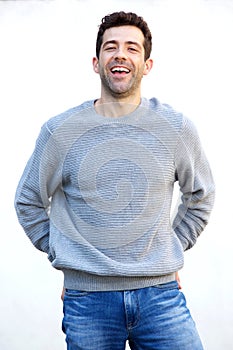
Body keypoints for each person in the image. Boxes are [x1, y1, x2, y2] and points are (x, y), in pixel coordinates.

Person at [15, 11, 215, 350]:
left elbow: (200, 197)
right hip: (88, 303)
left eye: (132, 48)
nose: (120, 54)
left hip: (161, 297)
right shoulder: (60, 131)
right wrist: (66, 254)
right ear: (97, 62)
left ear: (147, 64)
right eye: (111, 47)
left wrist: (170, 249)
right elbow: (28, 201)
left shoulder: (176, 128)